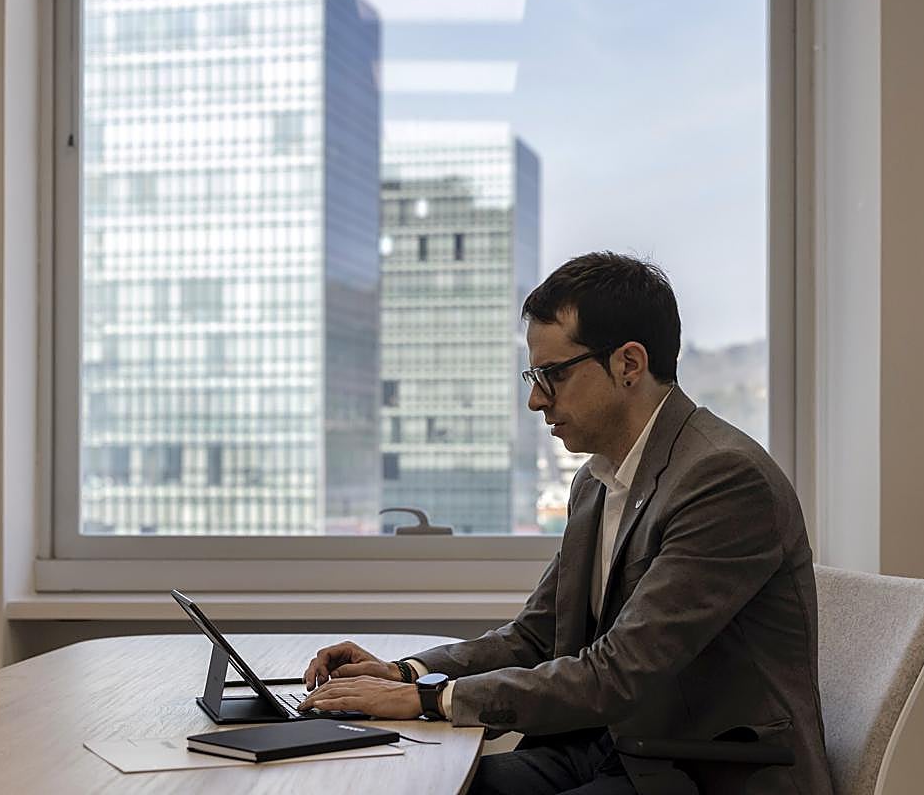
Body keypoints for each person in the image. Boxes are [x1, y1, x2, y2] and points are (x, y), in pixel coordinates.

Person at [300, 252, 833, 795]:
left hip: (705, 770)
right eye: (535, 376)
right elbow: (536, 635)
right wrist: (406, 672)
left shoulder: (723, 479)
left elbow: (619, 672)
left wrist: (430, 700)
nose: (535, 400)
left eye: (553, 375)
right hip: (614, 750)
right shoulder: (596, 480)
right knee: (417, 784)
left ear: (628, 364)